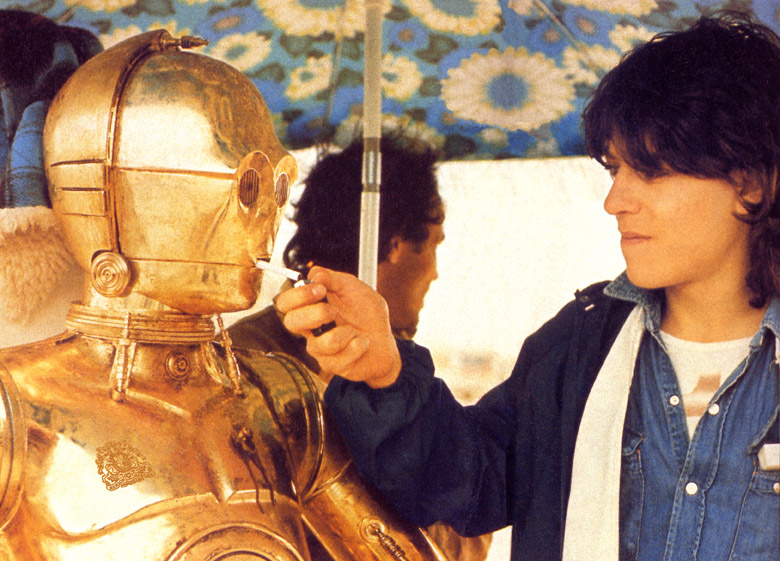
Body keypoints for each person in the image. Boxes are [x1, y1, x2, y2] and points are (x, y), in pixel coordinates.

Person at [276, 12, 780, 561]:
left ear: (749, 183)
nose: (615, 201)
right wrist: (386, 372)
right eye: (615, 171)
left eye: (652, 172)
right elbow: (467, 483)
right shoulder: (578, 347)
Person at [0, 30, 448, 561]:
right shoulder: (16, 404)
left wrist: (385, 380)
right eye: (247, 185)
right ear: (129, 192)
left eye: (278, 186)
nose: (266, 216)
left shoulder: (283, 398)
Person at [229, 136, 494, 561]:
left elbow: (467, 535)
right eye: (433, 245)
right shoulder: (240, 367)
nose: (436, 273)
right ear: (392, 243)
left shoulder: (400, 379)